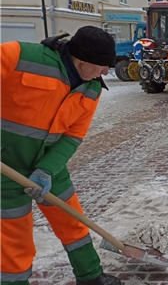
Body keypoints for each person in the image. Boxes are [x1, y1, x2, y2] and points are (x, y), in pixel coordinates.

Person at [1, 26, 121, 285]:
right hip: (4, 169)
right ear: (83, 60)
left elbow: (73, 136)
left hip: (49, 166)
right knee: (14, 242)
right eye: (102, 66)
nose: (105, 73)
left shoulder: (92, 89)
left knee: (72, 222)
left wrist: (47, 169)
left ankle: (90, 277)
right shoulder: (20, 56)